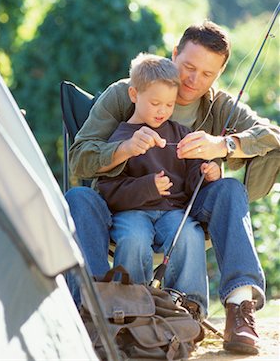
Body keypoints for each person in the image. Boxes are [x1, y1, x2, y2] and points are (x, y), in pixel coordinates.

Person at [66, 20, 280, 356]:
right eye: (189, 67)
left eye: (207, 74)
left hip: (187, 208)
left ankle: (239, 309)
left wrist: (222, 146)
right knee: (77, 197)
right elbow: (79, 159)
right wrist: (123, 149)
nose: (194, 80)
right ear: (174, 53)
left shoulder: (219, 105)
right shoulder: (127, 93)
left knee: (229, 190)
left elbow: (272, 135)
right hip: (122, 207)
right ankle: (91, 310)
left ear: (220, 73)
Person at [97, 53, 221, 293]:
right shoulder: (122, 139)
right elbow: (109, 192)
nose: (162, 111)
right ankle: (130, 303)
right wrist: (148, 187)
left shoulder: (180, 133)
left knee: (188, 234)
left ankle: (188, 305)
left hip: (172, 213)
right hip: (132, 213)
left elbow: (192, 178)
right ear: (134, 95)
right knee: (133, 238)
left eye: (169, 104)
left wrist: (205, 173)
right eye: (155, 104)